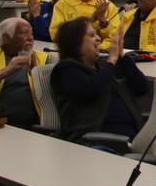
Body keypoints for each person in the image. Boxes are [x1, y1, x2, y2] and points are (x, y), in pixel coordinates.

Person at [51, 16, 150, 144]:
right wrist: (112, 60)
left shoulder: (102, 66)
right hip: (95, 141)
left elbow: (142, 87)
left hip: (129, 140)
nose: (98, 38)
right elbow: (94, 88)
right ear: (76, 43)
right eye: (92, 35)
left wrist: (122, 55)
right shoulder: (67, 70)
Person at [50, 0, 121, 51]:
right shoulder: (62, 5)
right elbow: (56, 34)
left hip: (100, 53)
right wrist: (89, 21)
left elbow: (115, 37)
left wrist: (102, 21)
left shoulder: (107, 6)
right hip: (71, 52)